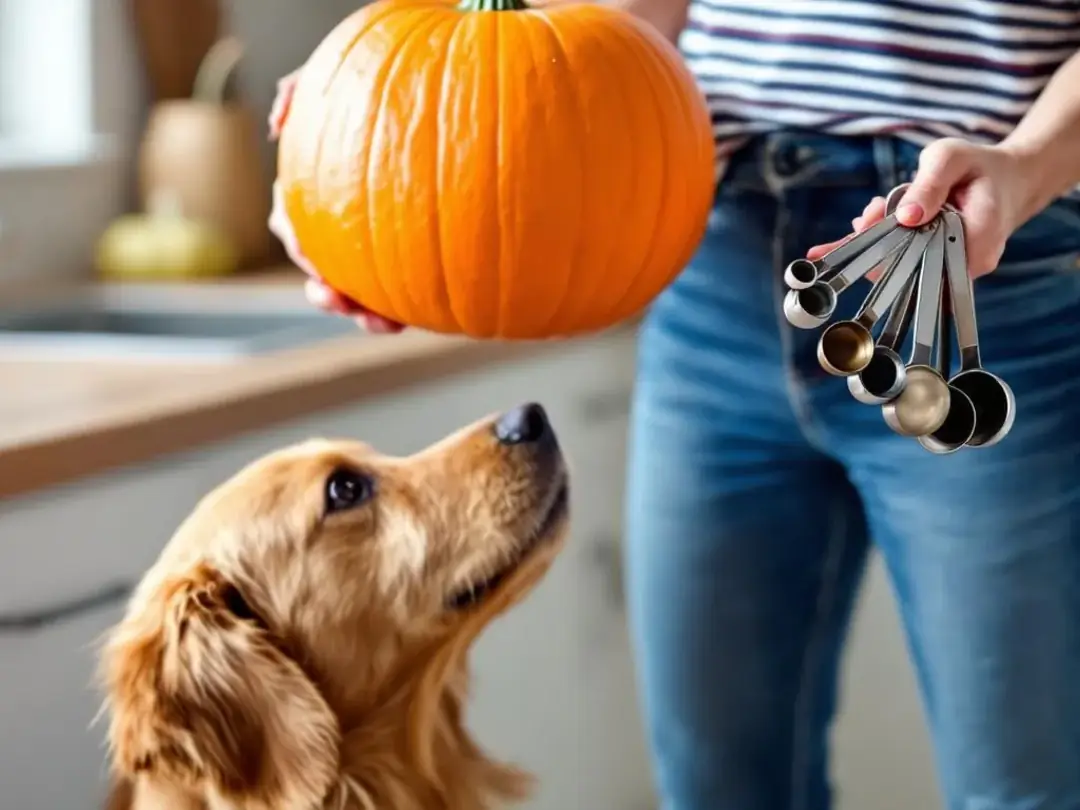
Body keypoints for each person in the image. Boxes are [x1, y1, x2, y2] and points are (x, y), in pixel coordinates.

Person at [268, 3, 1080, 807]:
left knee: (1025, 790)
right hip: (710, 256)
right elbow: (636, 18)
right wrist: (370, 125)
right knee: (716, 790)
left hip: (978, 271)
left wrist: (1026, 165)